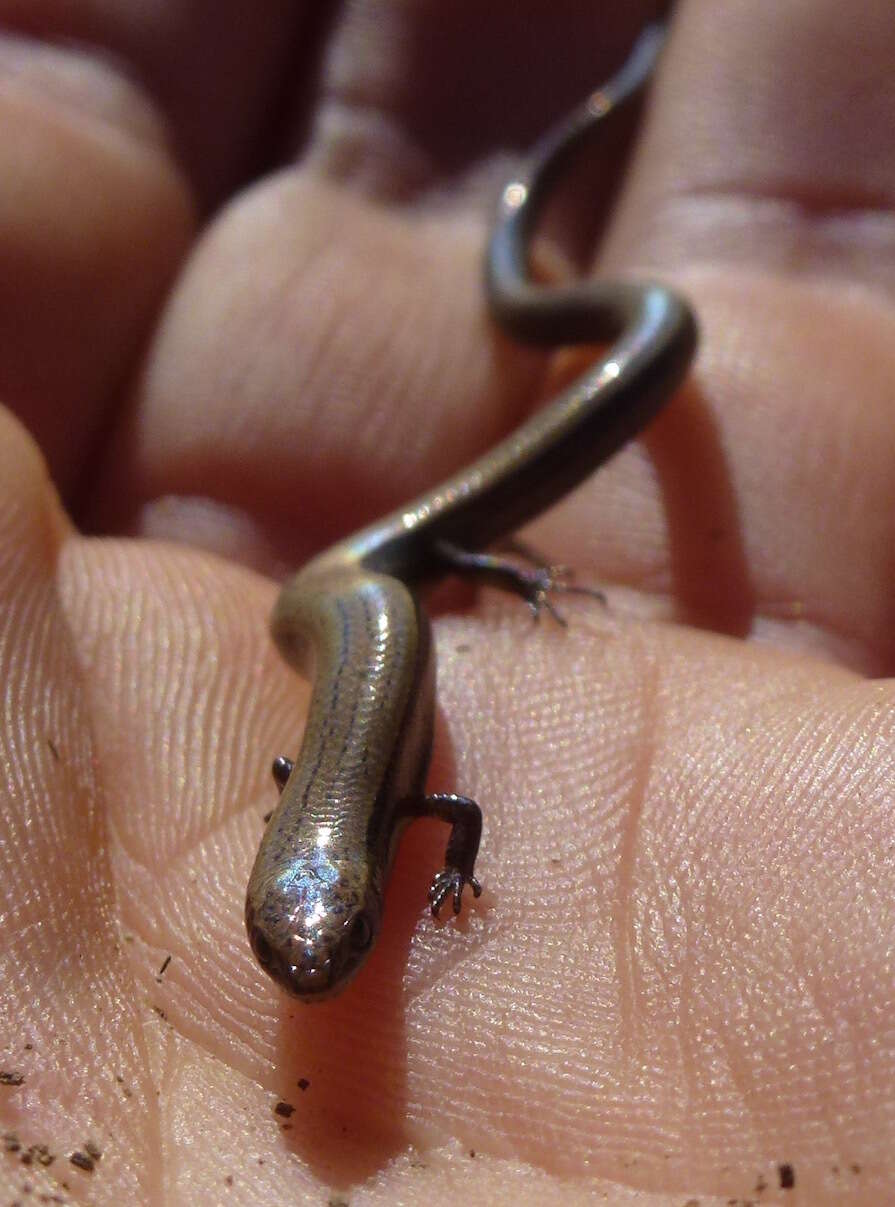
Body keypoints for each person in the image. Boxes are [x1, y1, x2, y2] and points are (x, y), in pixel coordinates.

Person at [1, 2, 892, 1201]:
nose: (312, 973)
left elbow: (427, 803)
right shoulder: (359, 816)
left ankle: (540, 282)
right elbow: (431, 807)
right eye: (308, 944)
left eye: (319, 941)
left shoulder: (368, 808)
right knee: (434, 553)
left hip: (360, 592)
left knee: (651, 335)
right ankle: (506, 385)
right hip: (342, 600)